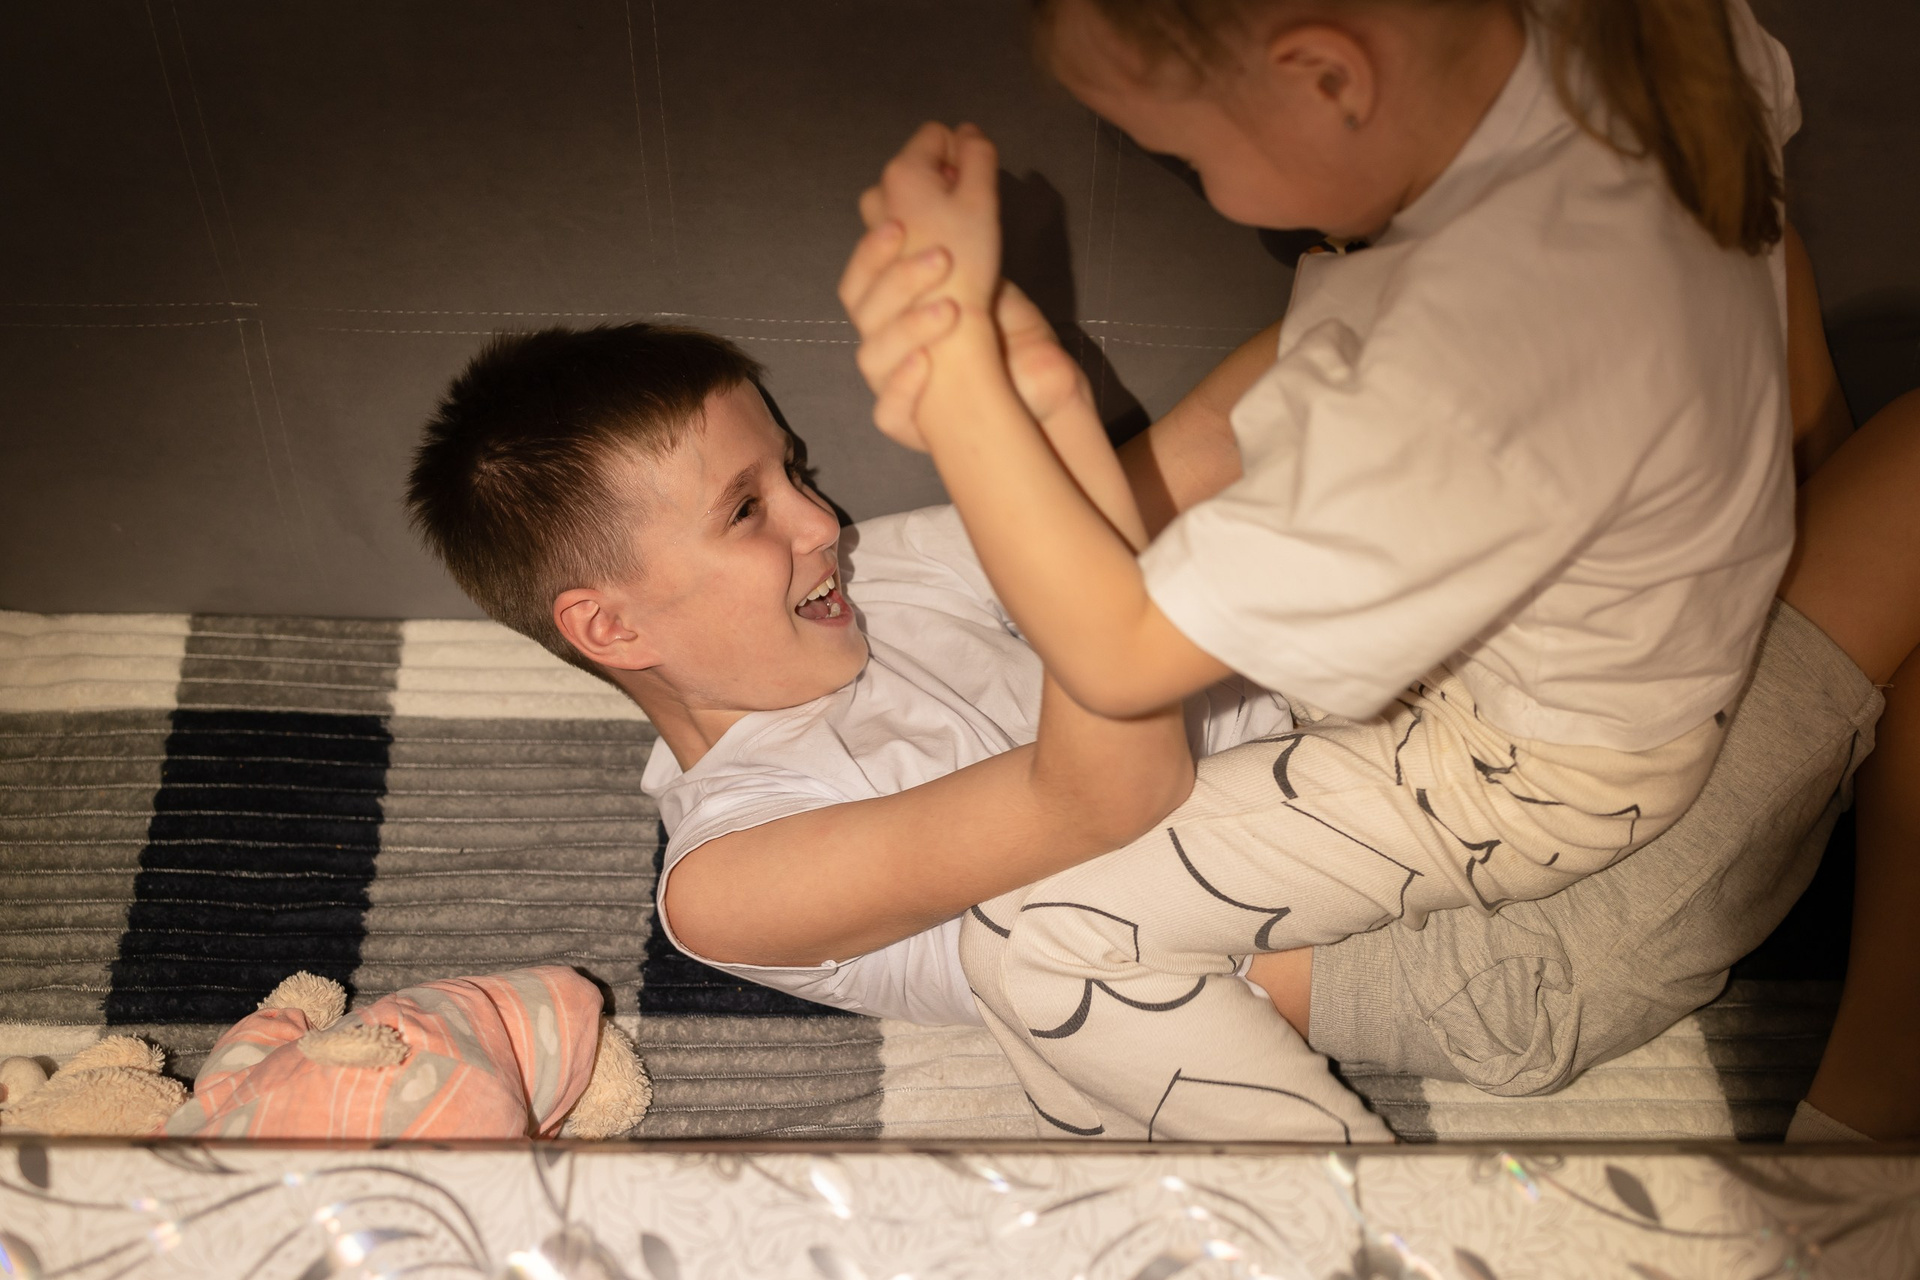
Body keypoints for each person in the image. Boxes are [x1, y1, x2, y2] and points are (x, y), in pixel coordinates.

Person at [834, 0, 1903, 1137]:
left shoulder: (1467, 367)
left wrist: (959, 389)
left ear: (1330, 77)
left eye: (1185, 154)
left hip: (1528, 771)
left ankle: (1335, 1207)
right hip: (1615, 670)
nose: (1204, 189)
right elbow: (1283, 388)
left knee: (1040, 933)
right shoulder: (1648, 48)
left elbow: (1119, 656)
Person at [403, 319, 1394, 1141]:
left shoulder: (876, 569)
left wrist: (1380, 273)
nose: (819, 521)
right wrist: (1016, 418)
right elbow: (1100, 794)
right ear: (611, 628)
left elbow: (1171, 473)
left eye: (795, 472)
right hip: (1366, 940)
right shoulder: (730, 878)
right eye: (745, 510)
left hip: (1363, 725)